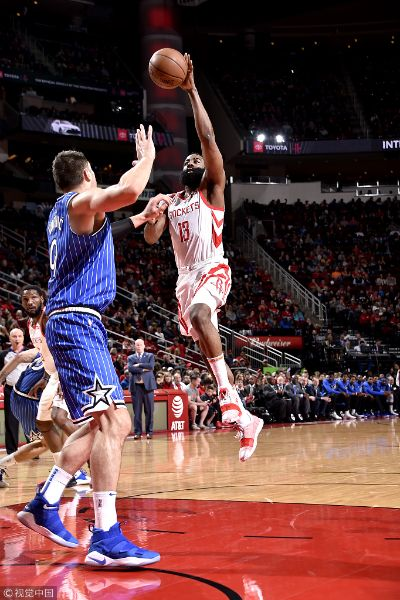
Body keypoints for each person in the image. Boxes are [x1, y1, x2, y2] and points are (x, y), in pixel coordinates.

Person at [17, 124, 171, 568]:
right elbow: (125, 192)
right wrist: (146, 159)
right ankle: (105, 534)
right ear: (86, 175)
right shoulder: (77, 202)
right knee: (115, 422)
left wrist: (142, 220)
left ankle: (45, 503)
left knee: (102, 424)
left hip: (75, 323)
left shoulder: (67, 216)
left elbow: (111, 226)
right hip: (77, 323)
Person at [144, 54, 263, 461]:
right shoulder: (174, 200)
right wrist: (154, 213)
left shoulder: (212, 192)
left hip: (213, 267)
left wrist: (191, 90)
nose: (196, 159)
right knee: (205, 340)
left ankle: (228, 397)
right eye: (189, 159)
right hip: (184, 279)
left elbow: (208, 141)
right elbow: (150, 237)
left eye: (201, 160)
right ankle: (246, 419)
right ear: (181, 170)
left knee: (200, 317)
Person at [0, 285, 90, 489]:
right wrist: (42, 376)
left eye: (34, 298)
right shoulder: (31, 324)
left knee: (58, 419)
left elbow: (63, 347)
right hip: (51, 376)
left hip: (65, 372)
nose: (30, 302)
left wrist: (58, 377)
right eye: (25, 300)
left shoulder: (47, 318)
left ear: (42, 298)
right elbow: (42, 353)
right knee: (46, 425)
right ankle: (66, 471)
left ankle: (88, 457)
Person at [0, 328, 28, 454]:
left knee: (29, 419)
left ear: (23, 337)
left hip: (28, 391)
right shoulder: (3, 355)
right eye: (14, 336)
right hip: (10, 390)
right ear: (9, 338)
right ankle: (12, 451)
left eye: (19, 336)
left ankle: (33, 450)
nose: (17, 339)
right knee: (10, 420)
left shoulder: (31, 352)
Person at [128, 338, 156, 440]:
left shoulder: (150, 356)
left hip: (148, 387)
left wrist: (139, 365)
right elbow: (131, 369)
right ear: (134, 346)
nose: (138, 346)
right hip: (136, 388)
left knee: (149, 411)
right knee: (137, 412)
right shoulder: (130, 357)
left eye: (140, 344)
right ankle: (138, 432)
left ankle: (149, 432)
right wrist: (144, 369)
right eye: (137, 345)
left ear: (144, 346)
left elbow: (151, 366)